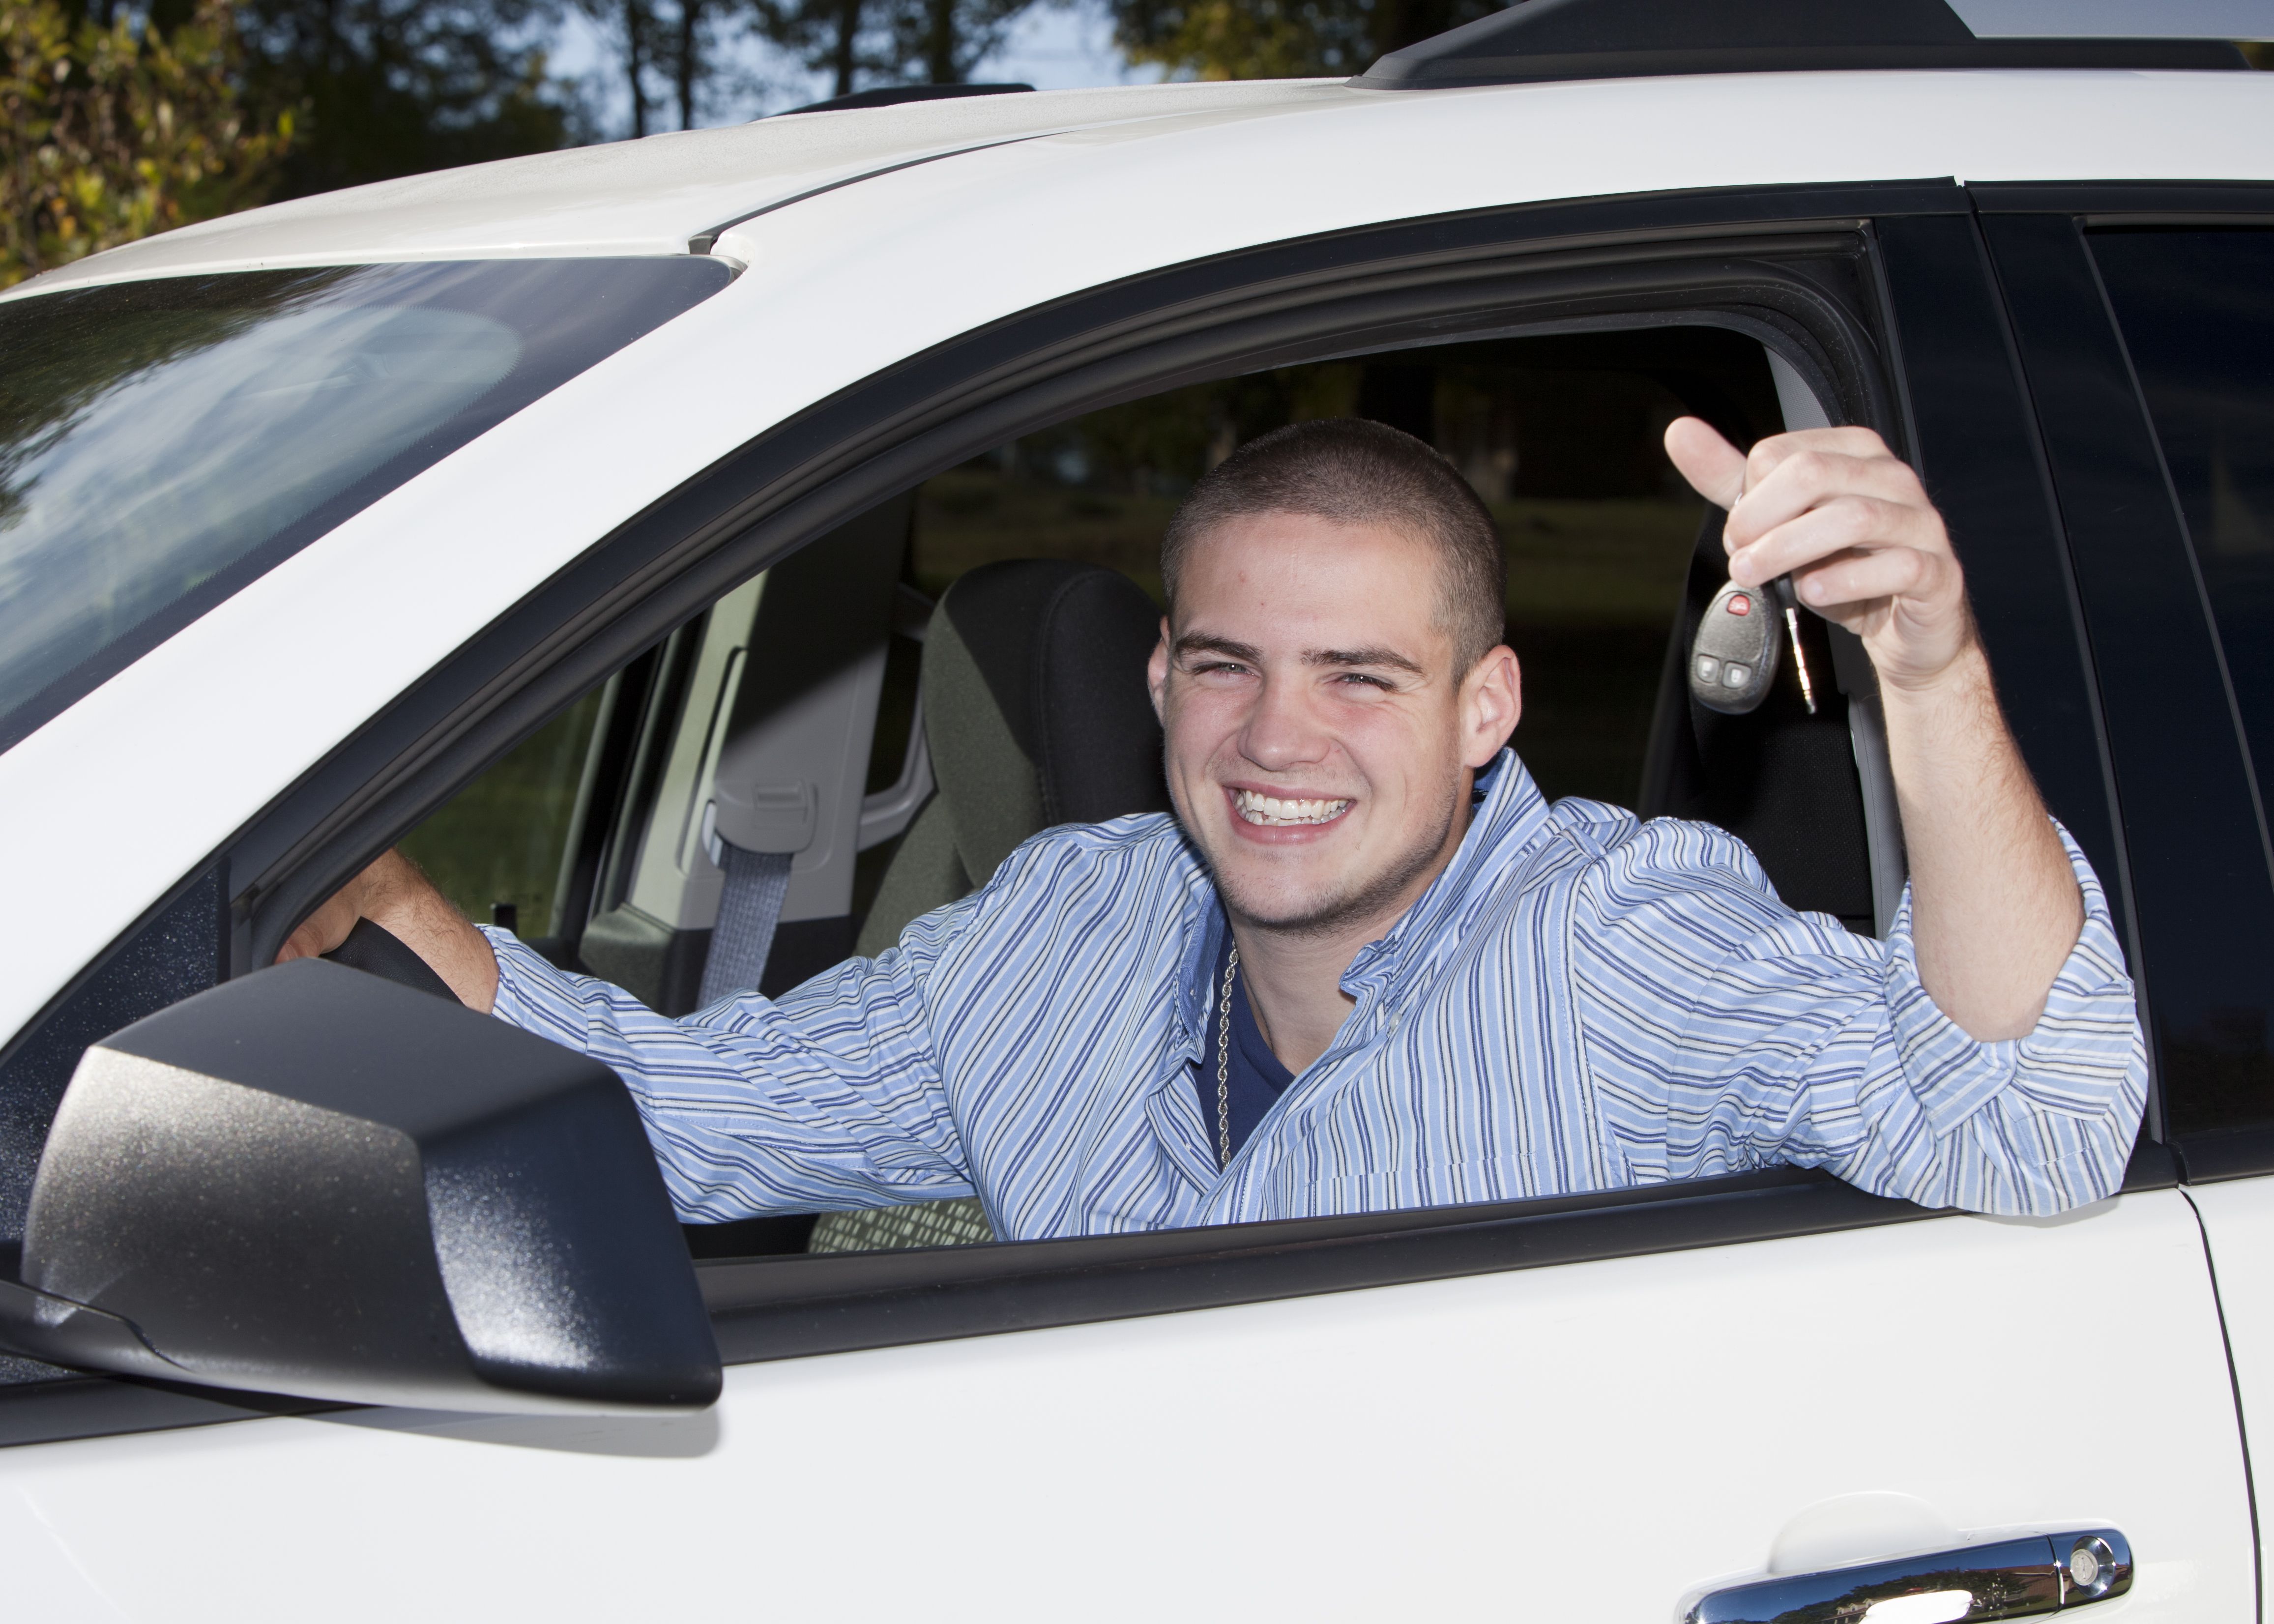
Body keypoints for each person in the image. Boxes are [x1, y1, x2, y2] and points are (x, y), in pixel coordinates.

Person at [284, 416, 2144, 1232]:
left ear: (1483, 709)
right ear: (1161, 674)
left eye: (1361, 676)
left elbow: (2029, 1120)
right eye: (1227, 665)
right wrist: (335, 858)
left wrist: (1923, 656)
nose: (1276, 740)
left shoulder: (1618, 941)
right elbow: (665, 1130)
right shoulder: (1059, 931)